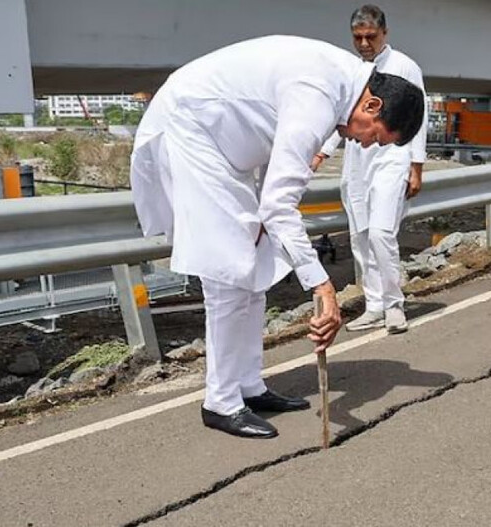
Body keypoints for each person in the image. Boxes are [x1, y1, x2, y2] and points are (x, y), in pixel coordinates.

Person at [130, 35, 424, 439]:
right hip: (191, 130)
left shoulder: (339, 87)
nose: (365, 143)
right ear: (372, 105)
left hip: (229, 147)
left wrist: (272, 230)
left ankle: (249, 386)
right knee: (229, 274)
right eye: (376, 135)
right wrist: (323, 287)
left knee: (256, 267)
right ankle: (220, 401)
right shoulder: (318, 97)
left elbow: (279, 179)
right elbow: (278, 204)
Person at [310, 5, 428, 334]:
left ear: (384, 34)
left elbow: (417, 119)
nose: (364, 44)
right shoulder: (351, 70)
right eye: (358, 37)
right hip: (358, 159)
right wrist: (322, 152)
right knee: (360, 236)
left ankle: (394, 305)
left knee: (381, 234)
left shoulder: (405, 66)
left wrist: (416, 167)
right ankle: (373, 304)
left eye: (370, 37)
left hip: (393, 156)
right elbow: (340, 116)